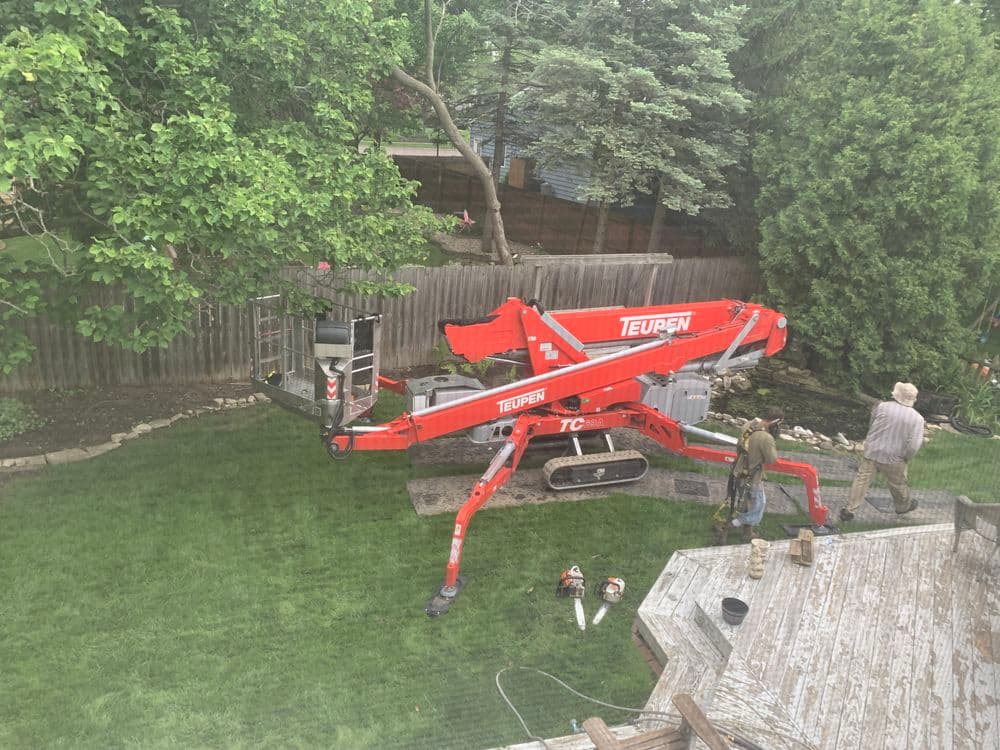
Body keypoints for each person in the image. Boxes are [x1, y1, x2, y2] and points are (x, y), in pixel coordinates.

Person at [839, 382, 924, 522]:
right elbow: (914, 445)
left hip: (873, 452)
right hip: (895, 457)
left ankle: (849, 510)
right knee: (898, 484)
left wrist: (871, 443)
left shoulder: (882, 407)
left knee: (862, 480)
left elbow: (872, 425)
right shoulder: (917, 419)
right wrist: (906, 457)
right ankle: (903, 506)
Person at [727, 406, 784, 539]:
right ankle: (733, 524)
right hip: (753, 477)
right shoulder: (766, 438)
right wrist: (772, 440)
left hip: (738, 471)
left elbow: (738, 447)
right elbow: (771, 460)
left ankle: (747, 533)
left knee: (747, 503)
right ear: (775, 422)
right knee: (758, 505)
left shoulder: (748, 425)